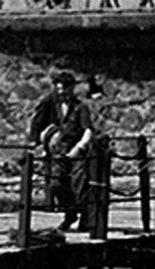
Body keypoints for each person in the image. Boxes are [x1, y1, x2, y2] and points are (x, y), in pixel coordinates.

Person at [28, 71, 94, 230]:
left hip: (76, 149)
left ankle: (85, 218)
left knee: (79, 183)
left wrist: (79, 148)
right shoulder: (52, 103)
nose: (61, 93)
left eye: (65, 90)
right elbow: (38, 122)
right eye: (59, 90)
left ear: (72, 89)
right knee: (55, 184)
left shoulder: (81, 107)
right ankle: (71, 211)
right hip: (58, 149)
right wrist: (38, 142)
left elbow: (88, 129)